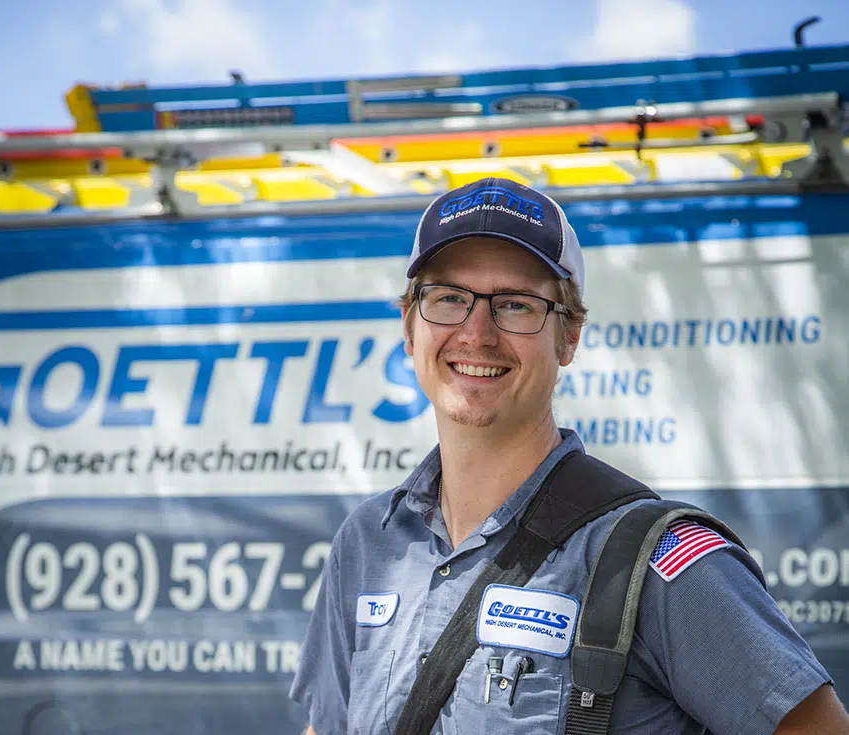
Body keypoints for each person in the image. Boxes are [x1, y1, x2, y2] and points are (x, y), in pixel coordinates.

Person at [288, 177, 849, 734]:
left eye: (516, 305)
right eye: (450, 298)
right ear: (410, 327)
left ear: (569, 336)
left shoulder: (653, 561)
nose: (476, 333)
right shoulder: (369, 543)